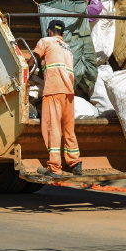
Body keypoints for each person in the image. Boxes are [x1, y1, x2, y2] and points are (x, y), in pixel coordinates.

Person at [27, 19, 82, 178]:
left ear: (49, 31)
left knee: (53, 128)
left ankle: (54, 167)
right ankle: (75, 163)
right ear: (62, 34)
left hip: (53, 91)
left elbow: (32, 60)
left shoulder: (45, 41)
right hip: (69, 93)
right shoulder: (67, 47)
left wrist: (26, 71)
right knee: (68, 129)